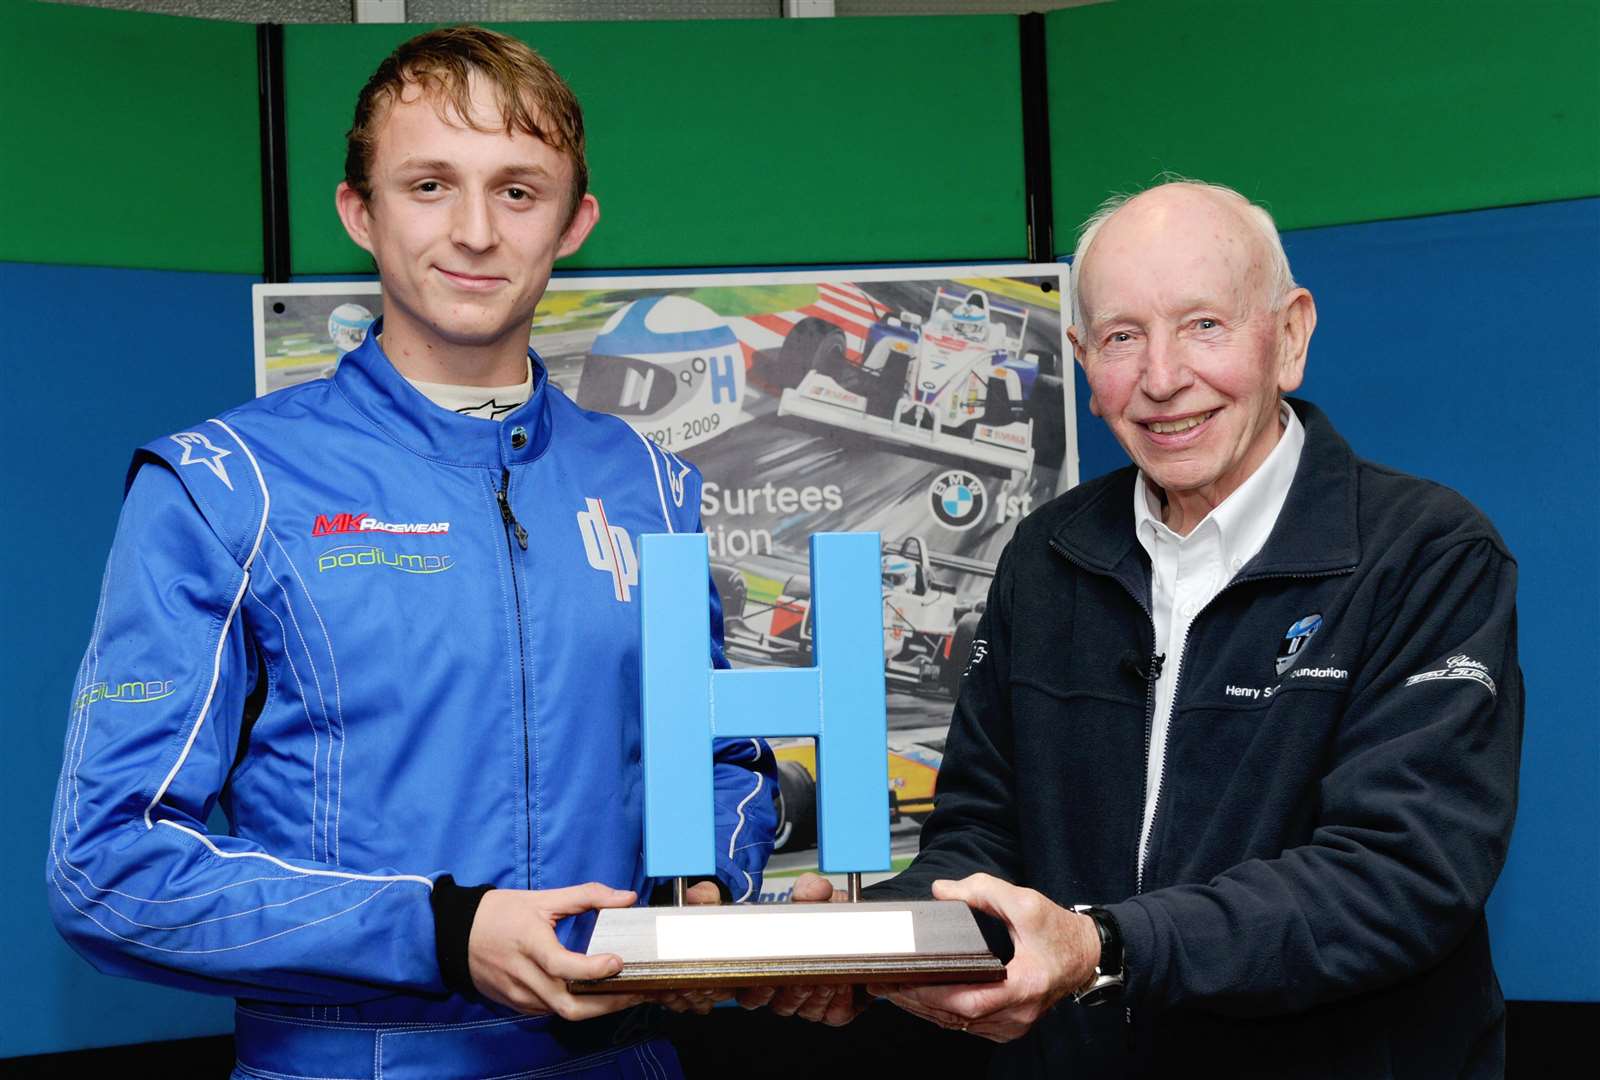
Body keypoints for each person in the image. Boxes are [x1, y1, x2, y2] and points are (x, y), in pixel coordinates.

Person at [46, 26, 774, 1080]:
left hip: (626, 1056)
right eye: (429, 184)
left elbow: (715, 757)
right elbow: (107, 869)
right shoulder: (225, 486)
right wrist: (439, 932)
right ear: (361, 212)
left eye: (518, 192)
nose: (475, 231)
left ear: (574, 223)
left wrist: (708, 882)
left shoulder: (649, 487)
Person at [762, 179, 1522, 1077]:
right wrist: (881, 939)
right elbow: (983, 832)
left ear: (1290, 336)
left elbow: (1398, 878)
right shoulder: (1049, 555)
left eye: (1204, 324)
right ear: (1083, 360)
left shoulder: (1428, 554)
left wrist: (1105, 947)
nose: (1162, 379)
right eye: (1123, 337)